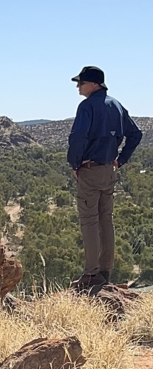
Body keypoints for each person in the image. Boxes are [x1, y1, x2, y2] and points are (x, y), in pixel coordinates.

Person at [67, 65, 141, 293]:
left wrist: (75, 164)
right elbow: (135, 134)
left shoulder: (87, 106)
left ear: (94, 84)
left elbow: (78, 138)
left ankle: (90, 275)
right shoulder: (116, 105)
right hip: (109, 170)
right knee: (105, 219)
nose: (78, 86)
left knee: (89, 221)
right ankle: (104, 271)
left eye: (81, 83)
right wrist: (120, 159)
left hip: (90, 169)